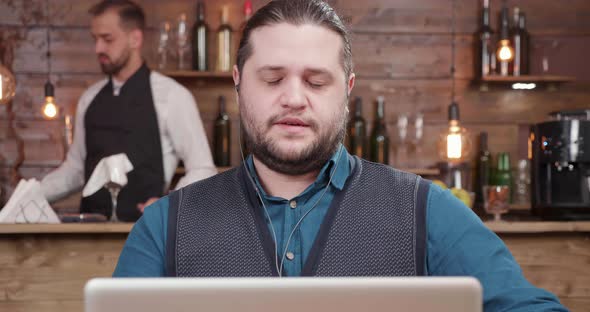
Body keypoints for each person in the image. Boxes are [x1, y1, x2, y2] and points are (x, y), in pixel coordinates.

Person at [114, 0, 567, 310]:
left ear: (346, 91)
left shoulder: (427, 211)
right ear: (238, 82)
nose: (293, 98)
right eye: (272, 79)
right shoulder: (164, 227)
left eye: (316, 81)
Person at [41, 0, 216, 222]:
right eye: (95, 39)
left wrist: (169, 204)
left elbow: (203, 168)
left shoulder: (172, 96)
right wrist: (29, 196)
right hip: (86, 235)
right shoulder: (89, 99)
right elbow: (76, 169)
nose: (98, 49)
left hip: (148, 234)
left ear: (135, 39)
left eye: (107, 39)